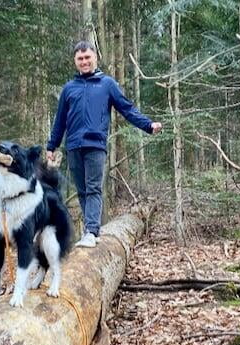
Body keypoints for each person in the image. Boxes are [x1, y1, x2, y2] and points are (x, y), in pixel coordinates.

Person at [46, 40, 163, 248]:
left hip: (95, 145)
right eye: (80, 59)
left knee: (93, 188)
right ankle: (90, 230)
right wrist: (51, 146)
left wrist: (148, 125)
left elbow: (127, 109)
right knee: (82, 190)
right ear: (75, 61)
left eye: (87, 58)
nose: (84, 62)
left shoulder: (107, 84)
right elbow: (60, 120)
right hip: (73, 146)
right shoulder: (68, 89)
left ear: (95, 58)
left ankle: (91, 231)